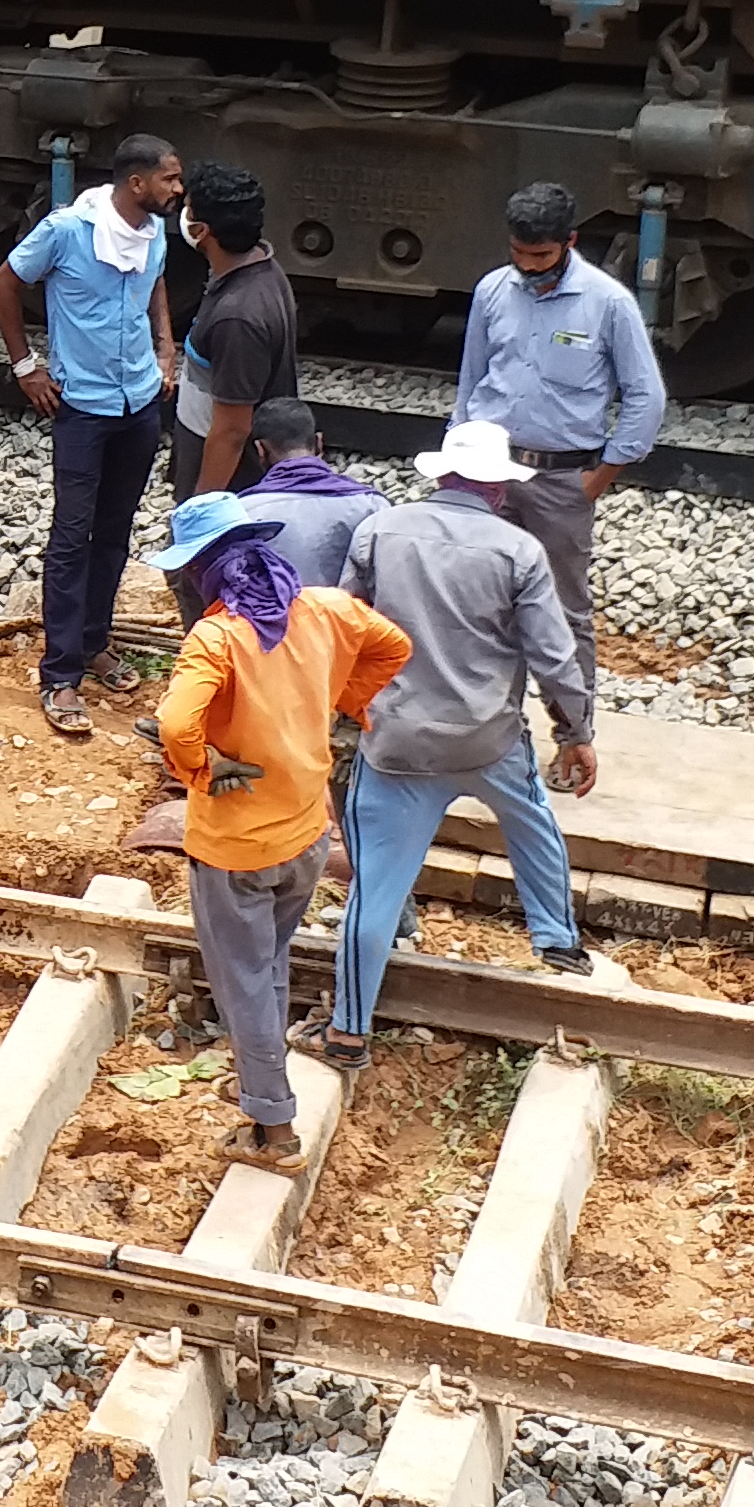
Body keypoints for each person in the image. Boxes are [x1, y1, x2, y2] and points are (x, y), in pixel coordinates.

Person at [147, 492, 408, 1172]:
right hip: (306, 833)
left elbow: (176, 724)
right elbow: (393, 644)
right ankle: (262, 1075)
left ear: (202, 569)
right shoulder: (321, 610)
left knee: (242, 979)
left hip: (235, 848)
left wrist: (202, 767)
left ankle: (273, 1128)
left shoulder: (217, 636)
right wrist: (348, 699)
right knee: (266, 964)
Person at [324, 422, 597, 1062]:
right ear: (499, 488)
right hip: (488, 739)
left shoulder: (379, 532)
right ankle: (556, 940)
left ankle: (347, 1030)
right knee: (532, 824)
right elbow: (556, 658)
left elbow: (343, 626)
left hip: (394, 744)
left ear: (441, 474)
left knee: (376, 892)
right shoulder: (519, 552)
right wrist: (576, 732)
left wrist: (340, 709)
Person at [450, 183, 658, 722]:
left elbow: (645, 394)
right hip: (487, 471)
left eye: (540, 256)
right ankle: (491, 731)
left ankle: (572, 733)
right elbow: (471, 381)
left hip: (562, 479)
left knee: (565, 611)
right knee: (483, 602)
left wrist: (600, 476)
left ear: (569, 241)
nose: (527, 267)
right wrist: (457, 462)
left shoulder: (608, 302)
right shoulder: (493, 290)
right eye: (518, 254)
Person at [0, 134, 183, 737]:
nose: (177, 190)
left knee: (115, 532)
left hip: (139, 402)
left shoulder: (151, 233)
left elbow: (154, 283)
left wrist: (165, 347)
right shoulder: (67, 229)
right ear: (137, 183)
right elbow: (6, 283)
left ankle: (95, 642)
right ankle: (59, 673)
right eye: (169, 179)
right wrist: (26, 365)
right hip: (83, 407)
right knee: (72, 537)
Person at [170, 164, 298, 500]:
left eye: (188, 210)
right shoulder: (264, 267)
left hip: (232, 482)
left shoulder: (237, 318)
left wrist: (202, 507)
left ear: (201, 230)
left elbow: (232, 430)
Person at [231, 400, 390, 590]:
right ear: (319, 443)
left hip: (272, 619)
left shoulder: (240, 513)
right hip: (350, 618)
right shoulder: (373, 506)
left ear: (260, 449)